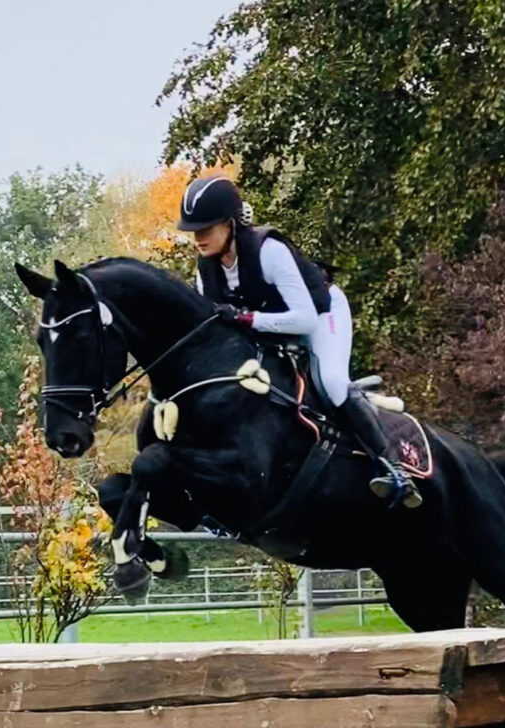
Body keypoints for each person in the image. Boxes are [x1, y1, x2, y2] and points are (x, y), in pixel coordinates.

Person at [177, 174, 422, 509]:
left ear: (231, 224)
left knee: (333, 382)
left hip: (321, 315)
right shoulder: (206, 271)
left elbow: (304, 318)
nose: (198, 238)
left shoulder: (268, 250)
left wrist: (247, 319)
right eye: (194, 230)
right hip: (272, 329)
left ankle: (393, 468)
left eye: (206, 228)